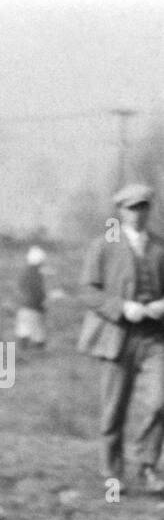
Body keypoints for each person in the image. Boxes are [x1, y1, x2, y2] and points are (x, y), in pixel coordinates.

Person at [76, 183, 164, 493]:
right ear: (120, 211)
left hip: (155, 338)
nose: (138, 213)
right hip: (117, 336)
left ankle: (148, 465)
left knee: (159, 402)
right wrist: (122, 307)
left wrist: (159, 306)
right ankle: (112, 473)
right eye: (131, 207)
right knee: (114, 409)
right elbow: (88, 290)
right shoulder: (104, 245)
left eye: (143, 207)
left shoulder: (159, 246)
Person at [16, 246, 47, 351]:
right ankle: (39, 353)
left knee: (23, 329)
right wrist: (42, 302)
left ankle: (23, 351)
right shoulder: (36, 274)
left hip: (23, 306)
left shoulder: (24, 272)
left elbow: (21, 288)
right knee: (38, 331)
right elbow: (38, 291)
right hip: (34, 306)